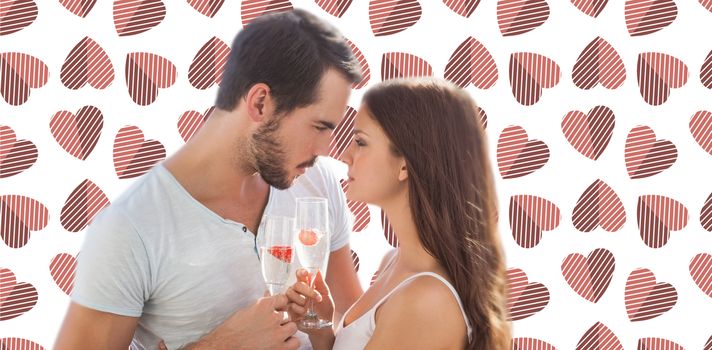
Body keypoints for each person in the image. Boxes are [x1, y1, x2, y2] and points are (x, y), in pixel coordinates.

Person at [55, 9, 364, 350]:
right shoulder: (130, 228)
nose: (325, 149)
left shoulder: (315, 184)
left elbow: (355, 330)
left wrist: (324, 332)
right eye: (319, 127)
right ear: (261, 103)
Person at [285, 78, 511, 349]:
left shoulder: (425, 300)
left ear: (404, 166)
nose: (346, 155)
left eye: (360, 142)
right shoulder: (394, 262)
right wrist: (321, 330)